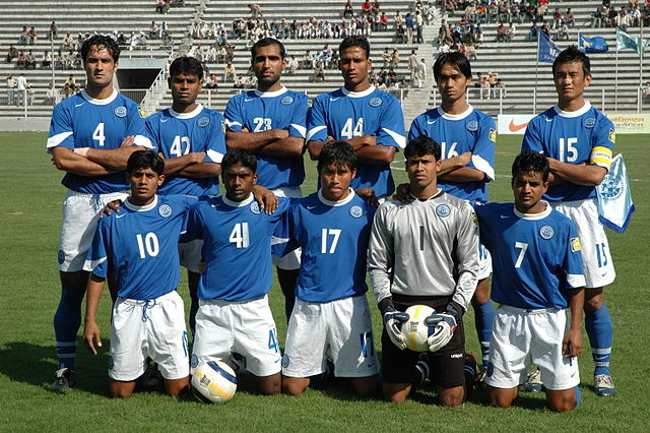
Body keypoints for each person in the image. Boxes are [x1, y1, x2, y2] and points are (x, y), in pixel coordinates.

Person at [46, 34, 149, 392]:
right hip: (79, 202)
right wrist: (114, 164)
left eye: (106, 61)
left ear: (115, 65)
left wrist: (84, 153)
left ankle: (129, 364)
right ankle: (64, 366)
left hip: (121, 201)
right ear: (84, 64)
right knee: (71, 286)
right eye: (93, 60)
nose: (99, 66)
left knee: (125, 287)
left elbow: (135, 160)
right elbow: (61, 159)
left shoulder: (130, 110)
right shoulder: (67, 108)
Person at [521, 46, 617, 397]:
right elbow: (532, 177)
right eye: (560, 74)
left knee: (592, 298)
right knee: (542, 295)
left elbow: (595, 176)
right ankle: (536, 366)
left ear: (586, 79)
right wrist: (563, 171)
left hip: (585, 214)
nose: (566, 80)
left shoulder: (601, 123)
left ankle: (602, 370)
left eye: (573, 74)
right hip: (546, 213)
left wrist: (554, 165)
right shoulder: (539, 124)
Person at [367, 136, 479, 405]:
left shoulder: (459, 209)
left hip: (443, 305)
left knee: (451, 399)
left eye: (426, 162)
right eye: (414, 162)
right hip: (402, 305)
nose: (420, 168)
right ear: (405, 167)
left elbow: (470, 267)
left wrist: (454, 313)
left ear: (438, 165)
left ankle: (467, 365)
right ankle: (425, 366)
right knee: (394, 397)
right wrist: (387, 308)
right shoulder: (388, 210)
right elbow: (377, 264)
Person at [408, 52, 497, 376]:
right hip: (429, 215)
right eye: (443, 77)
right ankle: (431, 354)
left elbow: (482, 173)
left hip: (471, 216)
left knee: (480, 293)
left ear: (468, 80)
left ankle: (489, 360)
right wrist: (461, 159)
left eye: (455, 77)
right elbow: (418, 171)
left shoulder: (484, 122)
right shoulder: (423, 122)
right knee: (433, 289)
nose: (449, 83)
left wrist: (436, 169)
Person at [478, 151, 584, 412]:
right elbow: (451, 207)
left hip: (550, 318)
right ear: (512, 182)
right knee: (498, 401)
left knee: (563, 406)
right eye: (521, 182)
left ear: (546, 184)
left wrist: (575, 329)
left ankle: (564, 383)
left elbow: (576, 283)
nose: (526, 189)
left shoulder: (563, 226)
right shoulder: (493, 216)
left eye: (534, 184)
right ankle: (484, 371)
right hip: (509, 318)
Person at [82, 151, 192, 399]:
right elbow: (98, 274)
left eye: (150, 176)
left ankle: (154, 367)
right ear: (128, 178)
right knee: (120, 393)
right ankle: (143, 370)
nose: (143, 181)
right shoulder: (110, 219)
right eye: (138, 175)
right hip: (128, 307)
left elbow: (218, 203)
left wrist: (258, 189)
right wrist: (89, 319)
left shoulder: (175, 207)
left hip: (165, 306)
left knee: (179, 390)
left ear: (160, 180)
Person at [187, 149, 289, 395]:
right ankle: (233, 362)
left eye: (244, 176)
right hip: (213, 310)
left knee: (273, 388)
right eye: (230, 176)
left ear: (255, 177)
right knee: (197, 385)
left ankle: (239, 362)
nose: (236, 182)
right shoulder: (203, 209)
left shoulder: (270, 206)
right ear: (222, 176)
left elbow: (314, 203)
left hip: (253, 310)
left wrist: (262, 191)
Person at [280, 141, 378, 397]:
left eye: (342, 172)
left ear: (353, 174)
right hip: (308, 304)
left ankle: (335, 362)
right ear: (320, 171)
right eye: (328, 172)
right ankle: (323, 364)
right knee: (292, 388)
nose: (335, 179)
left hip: (349, 304)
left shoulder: (367, 212)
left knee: (365, 389)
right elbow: (275, 246)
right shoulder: (301, 209)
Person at [224, 37, 308, 322]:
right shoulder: (239, 101)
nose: (266, 64)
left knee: (293, 285)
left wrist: (249, 140)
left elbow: (296, 146)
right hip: (245, 197)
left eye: (272, 58)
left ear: (283, 62)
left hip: (287, 197)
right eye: (260, 59)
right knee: (242, 280)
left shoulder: (298, 100)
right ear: (252, 63)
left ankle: (297, 353)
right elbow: (232, 143)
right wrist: (274, 133)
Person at [142, 56, 226, 334]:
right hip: (161, 213)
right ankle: (159, 357)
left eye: (191, 81)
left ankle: (198, 355)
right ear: (169, 83)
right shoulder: (154, 121)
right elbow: (148, 168)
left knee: (199, 290)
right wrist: (192, 158)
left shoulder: (213, 120)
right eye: (179, 80)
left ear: (201, 84)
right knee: (158, 289)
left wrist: (167, 166)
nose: (184, 86)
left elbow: (215, 167)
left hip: (202, 212)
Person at [306, 36, 405, 200]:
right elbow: (315, 150)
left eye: (357, 60)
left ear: (369, 63)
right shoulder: (323, 102)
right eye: (346, 61)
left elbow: (386, 154)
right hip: (331, 198)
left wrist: (332, 147)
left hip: (375, 197)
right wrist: (363, 141)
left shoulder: (388, 103)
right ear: (339, 65)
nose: (351, 66)